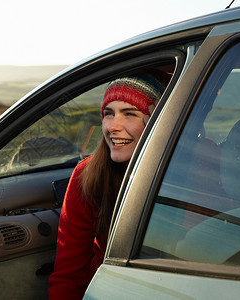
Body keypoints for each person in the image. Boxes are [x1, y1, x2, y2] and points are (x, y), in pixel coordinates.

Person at [48, 72, 168, 299]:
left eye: (130, 114)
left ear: (157, 120)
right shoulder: (88, 175)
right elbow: (69, 274)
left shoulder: (189, 168)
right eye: (108, 114)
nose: (113, 126)